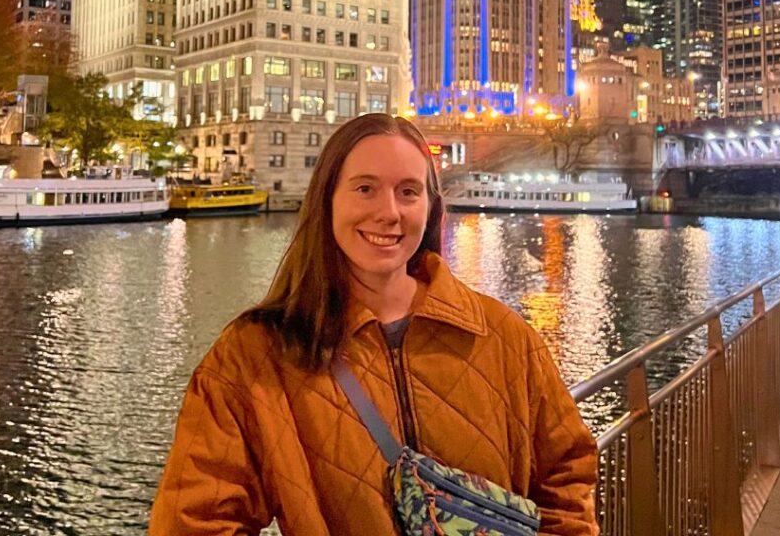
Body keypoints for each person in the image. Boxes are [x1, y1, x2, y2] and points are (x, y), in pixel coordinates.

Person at [149, 113, 599, 535]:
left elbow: (566, 474)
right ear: (326, 201)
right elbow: (195, 520)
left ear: (430, 207)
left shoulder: (503, 335)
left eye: (408, 191)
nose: (389, 213)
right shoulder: (254, 355)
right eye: (365, 189)